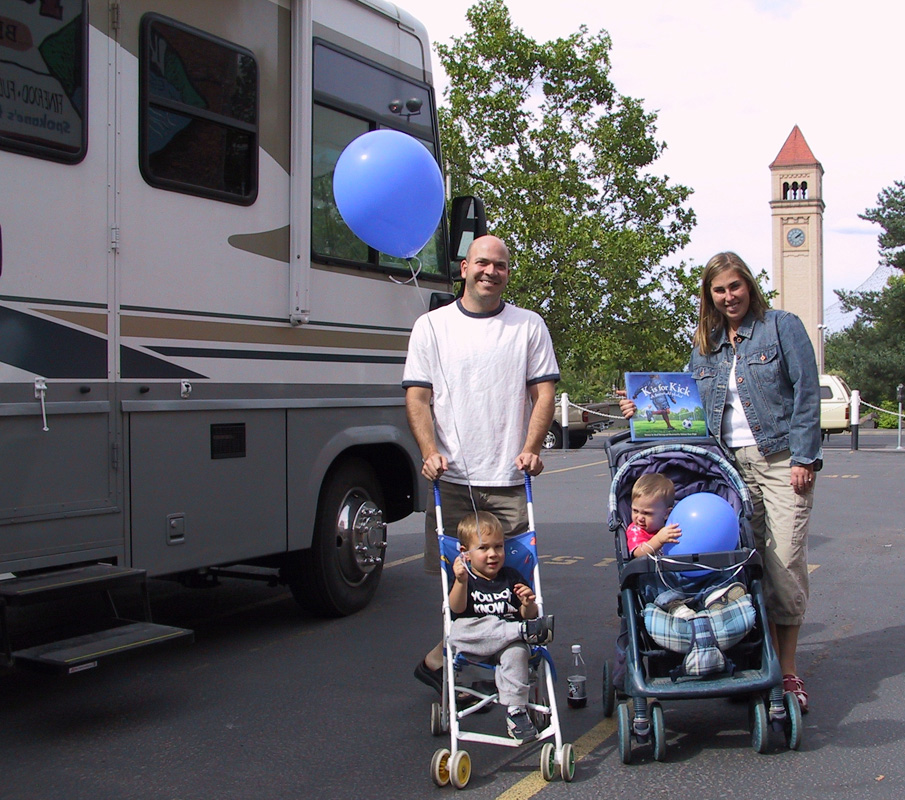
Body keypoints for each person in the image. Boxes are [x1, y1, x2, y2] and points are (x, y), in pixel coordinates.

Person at [620, 251, 820, 713]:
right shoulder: (706, 344)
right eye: (719, 290)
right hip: (726, 467)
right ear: (709, 295)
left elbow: (807, 393)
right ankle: (751, 657)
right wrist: (640, 411)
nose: (729, 296)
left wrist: (805, 456)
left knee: (784, 564)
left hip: (780, 459)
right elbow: (684, 408)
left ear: (748, 285)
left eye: (735, 286)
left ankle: (785, 672)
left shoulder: (781, 327)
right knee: (739, 565)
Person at [402, 234, 559, 694]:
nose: (492, 271)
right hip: (452, 481)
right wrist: (430, 451)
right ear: (465, 268)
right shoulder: (430, 326)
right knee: (459, 581)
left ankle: (481, 659)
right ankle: (458, 657)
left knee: (512, 582)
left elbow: (543, 392)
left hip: (510, 479)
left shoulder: (528, 325)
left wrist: (533, 447)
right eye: (483, 263)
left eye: (502, 266)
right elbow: (418, 396)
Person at [446, 511, 554, 742]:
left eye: (499, 547)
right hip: (477, 640)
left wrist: (528, 604)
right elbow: (456, 609)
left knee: (517, 650)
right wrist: (460, 582)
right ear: (465, 553)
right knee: (459, 630)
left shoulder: (511, 576)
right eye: (484, 548)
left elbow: (527, 615)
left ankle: (516, 711)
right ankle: (518, 632)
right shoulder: (466, 578)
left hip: (507, 643)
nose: (493, 554)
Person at [626, 473, 682, 559]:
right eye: (635, 511)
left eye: (647, 513)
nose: (640, 518)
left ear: (666, 513)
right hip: (650, 570)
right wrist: (658, 539)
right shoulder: (636, 530)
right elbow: (638, 553)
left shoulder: (671, 524)